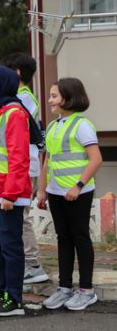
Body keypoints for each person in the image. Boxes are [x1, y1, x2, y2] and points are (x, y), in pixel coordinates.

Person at [0, 65, 42, 317]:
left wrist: (9, 194)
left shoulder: (14, 113)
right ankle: (2, 294)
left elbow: (18, 157)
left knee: (11, 246)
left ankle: (13, 299)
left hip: (7, 194)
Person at [38, 78, 102, 311]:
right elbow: (48, 160)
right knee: (63, 239)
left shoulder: (82, 124)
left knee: (80, 238)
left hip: (78, 192)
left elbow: (96, 159)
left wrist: (77, 185)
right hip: (56, 192)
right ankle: (65, 288)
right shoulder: (54, 126)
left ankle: (86, 290)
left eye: (54, 96)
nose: (50, 100)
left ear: (68, 97)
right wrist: (42, 189)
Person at [1, 52, 50, 285]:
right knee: (18, 217)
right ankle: (26, 263)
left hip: (24, 165)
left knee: (22, 217)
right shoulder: (18, 97)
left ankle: (33, 265)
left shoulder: (23, 98)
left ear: (17, 73)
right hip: (20, 164)